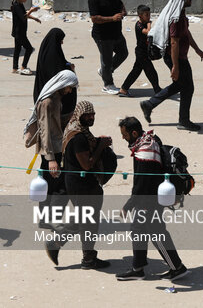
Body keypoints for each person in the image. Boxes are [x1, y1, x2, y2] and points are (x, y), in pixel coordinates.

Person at [116, 117, 188, 281]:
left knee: (156, 233)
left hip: (149, 199)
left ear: (134, 133)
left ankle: (177, 267)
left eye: (125, 134)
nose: (123, 138)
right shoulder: (149, 140)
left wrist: (128, 206)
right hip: (150, 196)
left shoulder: (145, 153)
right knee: (138, 230)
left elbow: (142, 185)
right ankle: (138, 268)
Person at [44, 101, 112, 269]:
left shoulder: (78, 130)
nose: (91, 117)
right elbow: (87, 164)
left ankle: (59, 244)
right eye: (87, 115)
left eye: (93, 114)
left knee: (86, 218)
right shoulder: (79, 137)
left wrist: (98, 141)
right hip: (82, 185)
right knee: (89, 221)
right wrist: (101, 146)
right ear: (79, 115)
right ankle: (86, 257)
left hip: (77, 183)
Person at [139, 0, 203, 131]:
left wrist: (197, 49)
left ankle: (150, 104)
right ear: (182, 0)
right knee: (187, 87)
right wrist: (175, 66)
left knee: (180, 85)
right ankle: (183, 120)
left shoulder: (181, 14)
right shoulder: (175, 18)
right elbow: (174, 42)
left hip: (179, 57)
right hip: (175, 57)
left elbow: (186, 33)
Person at [23, 70, 79, 226]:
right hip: (51, 152)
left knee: (54, 185)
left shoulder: (57, 98)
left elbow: (54, 123)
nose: (69, 91)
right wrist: (51, 159)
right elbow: (45, 131)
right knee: (53, 186)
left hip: (57, 148)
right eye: (69, 87)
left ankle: (47, 218)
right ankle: (46, 219)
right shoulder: (47, 102)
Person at [89, 0, 128, 95]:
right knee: (106, 60)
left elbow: (120, 3)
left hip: (116, 33)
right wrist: (112, 18)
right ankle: (108, 84)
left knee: (123, 53)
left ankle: (105, 71)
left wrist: (123, 11)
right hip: (103, 35)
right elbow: (94, 18)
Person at [119, 5, 161, 97]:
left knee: (136, 71)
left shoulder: (144, 23)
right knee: (151, 71)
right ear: (140, 16)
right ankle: (157, 90)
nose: (149, 17)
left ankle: (124, 89)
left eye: (149, 14)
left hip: (144, 52)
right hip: (141, 52)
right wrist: (150, 23)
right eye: (146, 15)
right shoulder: (139, 25)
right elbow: (148, 32)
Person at [33, 28, 77, 117]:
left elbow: (61, 63)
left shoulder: (50, 49)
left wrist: (68, 65)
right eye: (61, 40)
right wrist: (69, 69)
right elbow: (55, 72)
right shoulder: (52, 55)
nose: (62, 43)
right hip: (51, 97)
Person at [11, 0, 40, 75]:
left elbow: (25, 15)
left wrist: (34, 18)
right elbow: (23, 17)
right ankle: (23, 66)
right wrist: (31, 10)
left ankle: (15, 68)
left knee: (17, 49)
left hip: (19, 31)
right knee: (29, 49)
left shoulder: (19, 4)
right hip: (19, 32)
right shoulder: (16, 6)